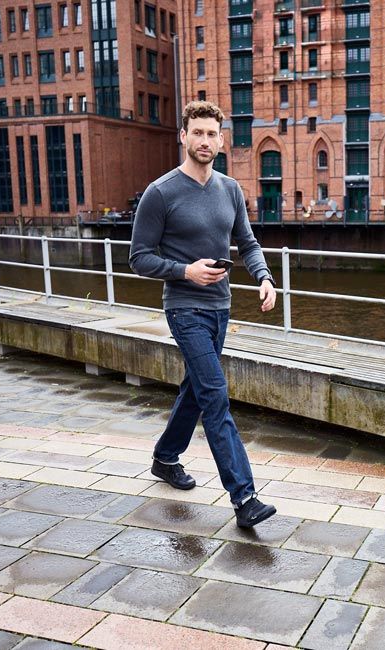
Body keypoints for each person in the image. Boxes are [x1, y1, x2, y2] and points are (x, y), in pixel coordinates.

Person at [129, 100, 277, 528]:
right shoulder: (161, 193)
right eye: (198, 133)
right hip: (183, 308)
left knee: (196, 390)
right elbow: (139, 258)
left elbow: (246, 243)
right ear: (184, 136)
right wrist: (185, 271)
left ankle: (164, 458)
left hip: (221, 307)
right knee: (214, 394)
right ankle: (244, 498)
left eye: (212, 134)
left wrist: (264, 277)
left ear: (221, 139)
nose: (205, 141)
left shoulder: (230, 189)